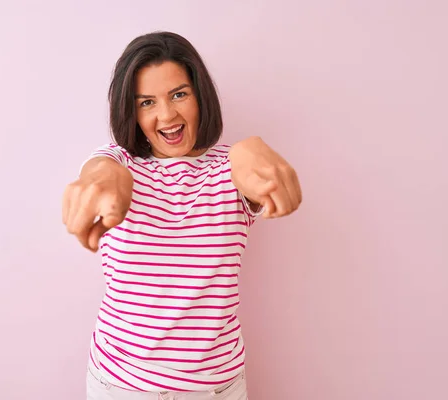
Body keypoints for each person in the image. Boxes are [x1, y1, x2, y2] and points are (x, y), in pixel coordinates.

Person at [62, 31, 301, 400]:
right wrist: (102, 180)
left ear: (199, 95)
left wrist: (248, 150)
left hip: (218, 390)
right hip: (121, 387)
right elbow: (104, 173)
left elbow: (243, 167)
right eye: (146, 102)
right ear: (131, 111)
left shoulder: (231, 169)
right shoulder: (119, 163)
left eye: (179, 94)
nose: (167, 114)